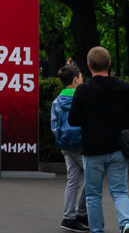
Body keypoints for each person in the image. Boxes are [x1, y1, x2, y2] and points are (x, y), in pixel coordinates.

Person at [68, 45, 129, 233]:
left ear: (89, 65)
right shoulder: (124, 88)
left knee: (93, 194)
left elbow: (73, 119)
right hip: (118, 148)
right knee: (120, 191)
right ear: (109, 63)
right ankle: (126, 223)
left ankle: (97, 230)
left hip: (93, 149)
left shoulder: (83, 90)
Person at [51, 64, 88, 232]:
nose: (82, 79)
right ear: (75, 79)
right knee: (93, 176)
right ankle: (81, 212)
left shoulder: (57, 100)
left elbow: (54, 125)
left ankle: (69, 217)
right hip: (82, 145)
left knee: (73, 181)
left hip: (66, 144)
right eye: (80, 76)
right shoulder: (83, 98)